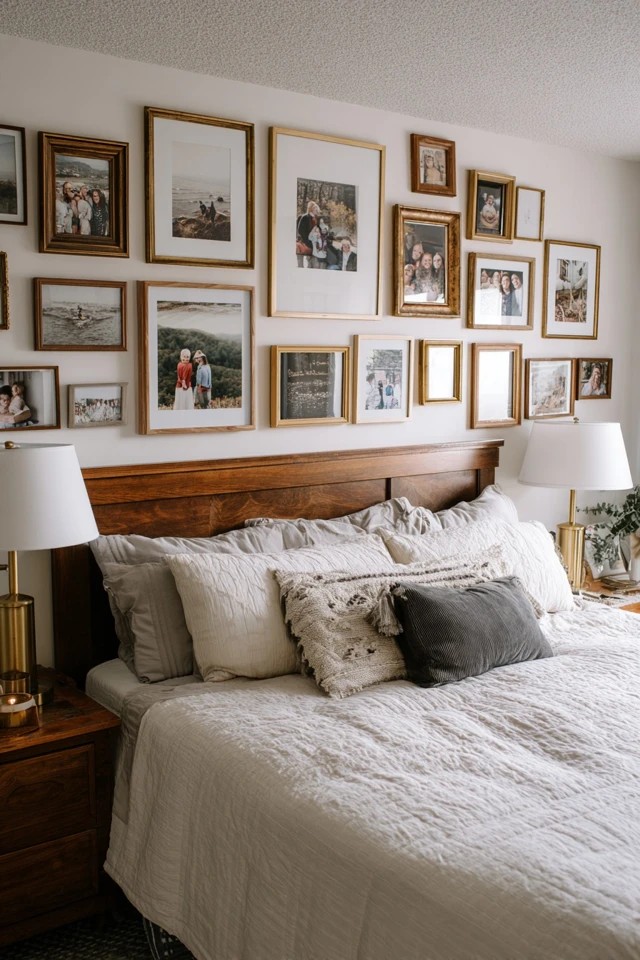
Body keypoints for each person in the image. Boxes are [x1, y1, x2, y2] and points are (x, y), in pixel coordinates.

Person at [296, 200, 320, 267]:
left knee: (310, 261)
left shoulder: (315, 218)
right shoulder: (305, 217)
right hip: (304, 242)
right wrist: (307, 241)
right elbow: (301, 230)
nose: (316, 210)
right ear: (311, 209)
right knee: (301, 262)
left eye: (316, 208)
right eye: (315, 208)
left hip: (312, 242)